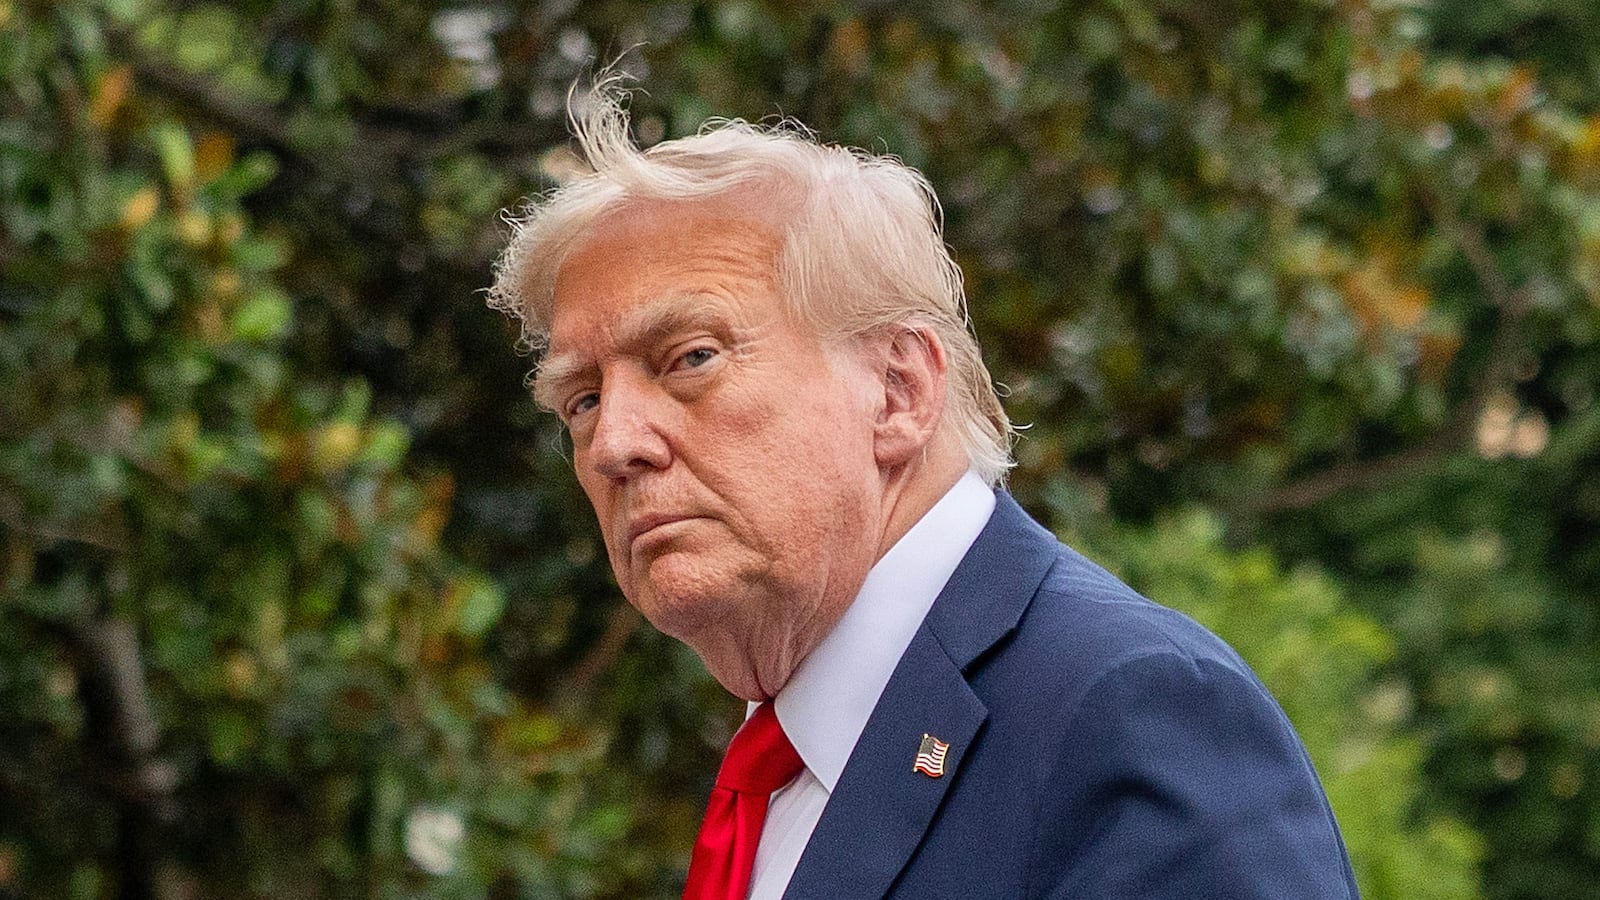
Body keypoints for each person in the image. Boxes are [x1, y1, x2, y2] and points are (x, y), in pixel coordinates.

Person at [488, 81, 1360, 899]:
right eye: (583, 400)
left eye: (691, 358)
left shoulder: (1134, 712)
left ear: (898, 391)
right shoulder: (783, 768)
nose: (615, 444)